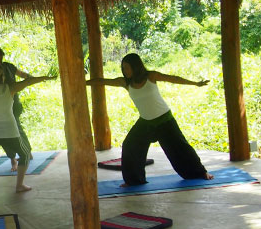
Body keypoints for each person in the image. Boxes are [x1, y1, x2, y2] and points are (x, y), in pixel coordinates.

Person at [86, 53, 214, 187]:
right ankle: (134, 180)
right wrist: (83, 82)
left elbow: (173, 79)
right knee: (130, 145)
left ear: (136, 66)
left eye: (127, 68)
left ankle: (200, 173)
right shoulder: (125, 82)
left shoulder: (151, 76)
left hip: (165, 120)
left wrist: (196, 84)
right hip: (145, 122)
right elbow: (101, 81)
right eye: (123, 68)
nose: (125, 71)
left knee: (181, 148)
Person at [0, 64, 53, 192]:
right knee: (24, 155)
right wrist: (44, 77)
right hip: (9, 131)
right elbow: (28, 81)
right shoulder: (10, 88)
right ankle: (19, 185)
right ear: (3, 76)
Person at [0, 46, 33, 172]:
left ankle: (22, 155)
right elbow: (22, 74)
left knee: (15, 130)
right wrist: (30, 78)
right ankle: (24, 153)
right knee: (16, 129)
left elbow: (22, 74)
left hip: (11, 104)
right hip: (7, 104)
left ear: (0, 56)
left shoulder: (5, 68)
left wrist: (31, 79)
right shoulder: (5, 67)